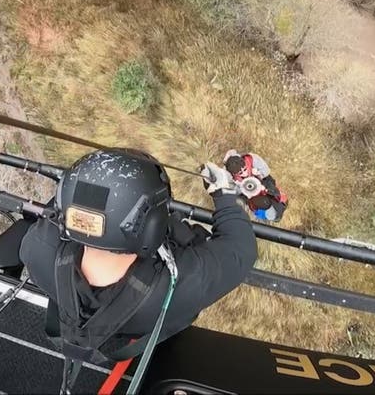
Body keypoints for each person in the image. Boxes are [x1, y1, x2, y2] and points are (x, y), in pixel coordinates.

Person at [19, 148, 256, 365]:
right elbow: (240, 249)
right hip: (148, 320)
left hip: (130, 324)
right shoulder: (180, 287)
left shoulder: (37, 250)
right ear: (152, 229)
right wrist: (224, 195)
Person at [223, 149, 288, 223]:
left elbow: (266, 171)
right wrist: (240, 188)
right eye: (240, 173)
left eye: (245, 169)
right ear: (234, 174)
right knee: (258, 204)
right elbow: (228, 190)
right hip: (246, 194)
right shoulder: (228, 176)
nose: (245, 173)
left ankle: (278, 209)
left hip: (262, 181)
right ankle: (261, 217)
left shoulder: (252, 159)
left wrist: (259, 173)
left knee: (271, 197)